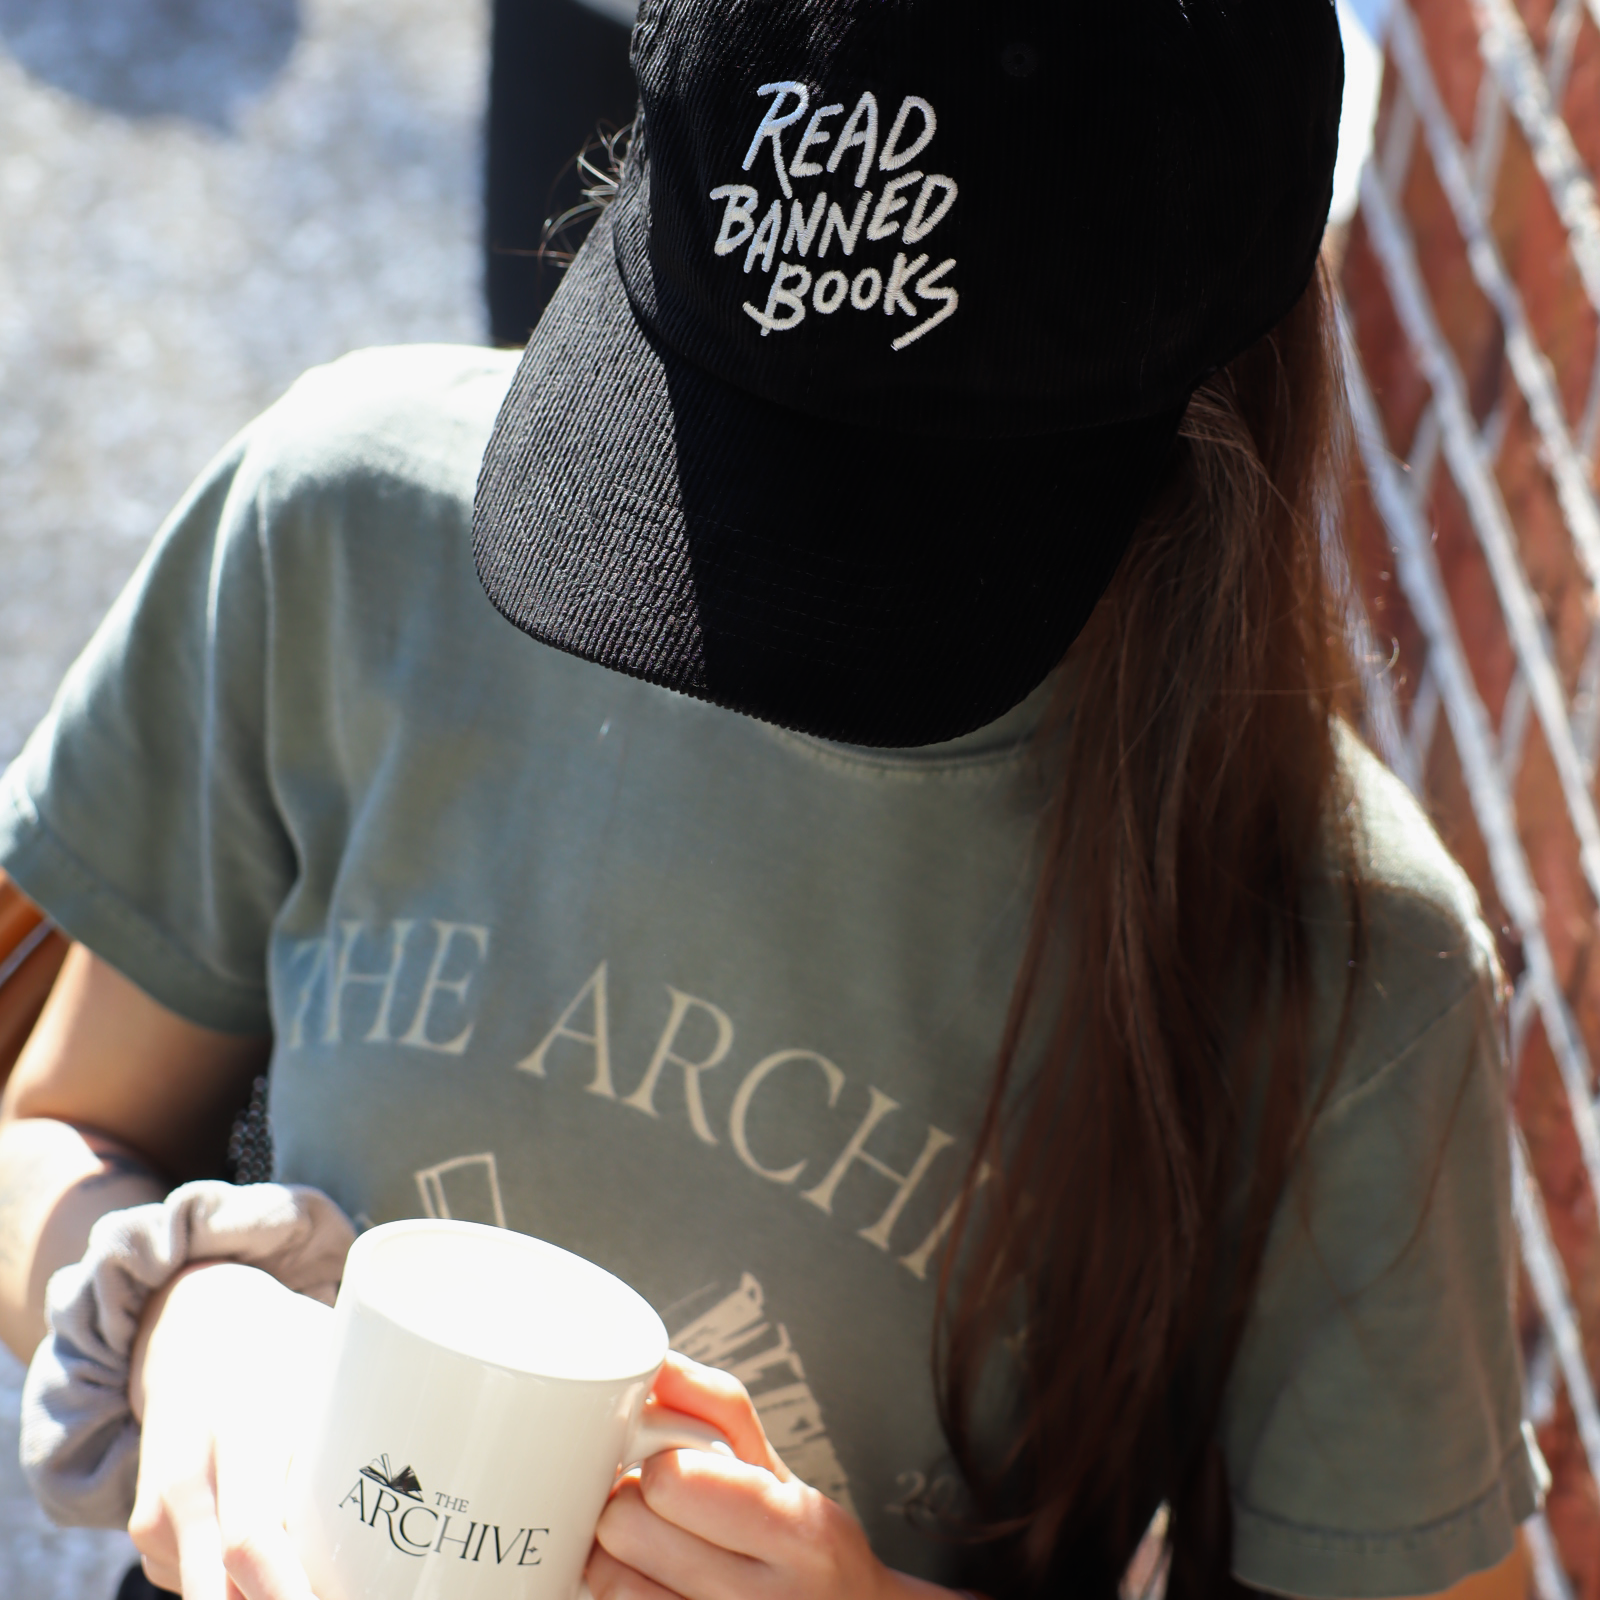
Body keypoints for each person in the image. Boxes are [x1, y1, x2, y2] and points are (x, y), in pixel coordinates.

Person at [0, 2, 1544, 1597]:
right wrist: (182, 1320)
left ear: (1218, 388)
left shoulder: (1352, 972)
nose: (733, 622)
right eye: (711, 438)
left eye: (903, 520)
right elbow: (54, 1125)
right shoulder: (344, 526)